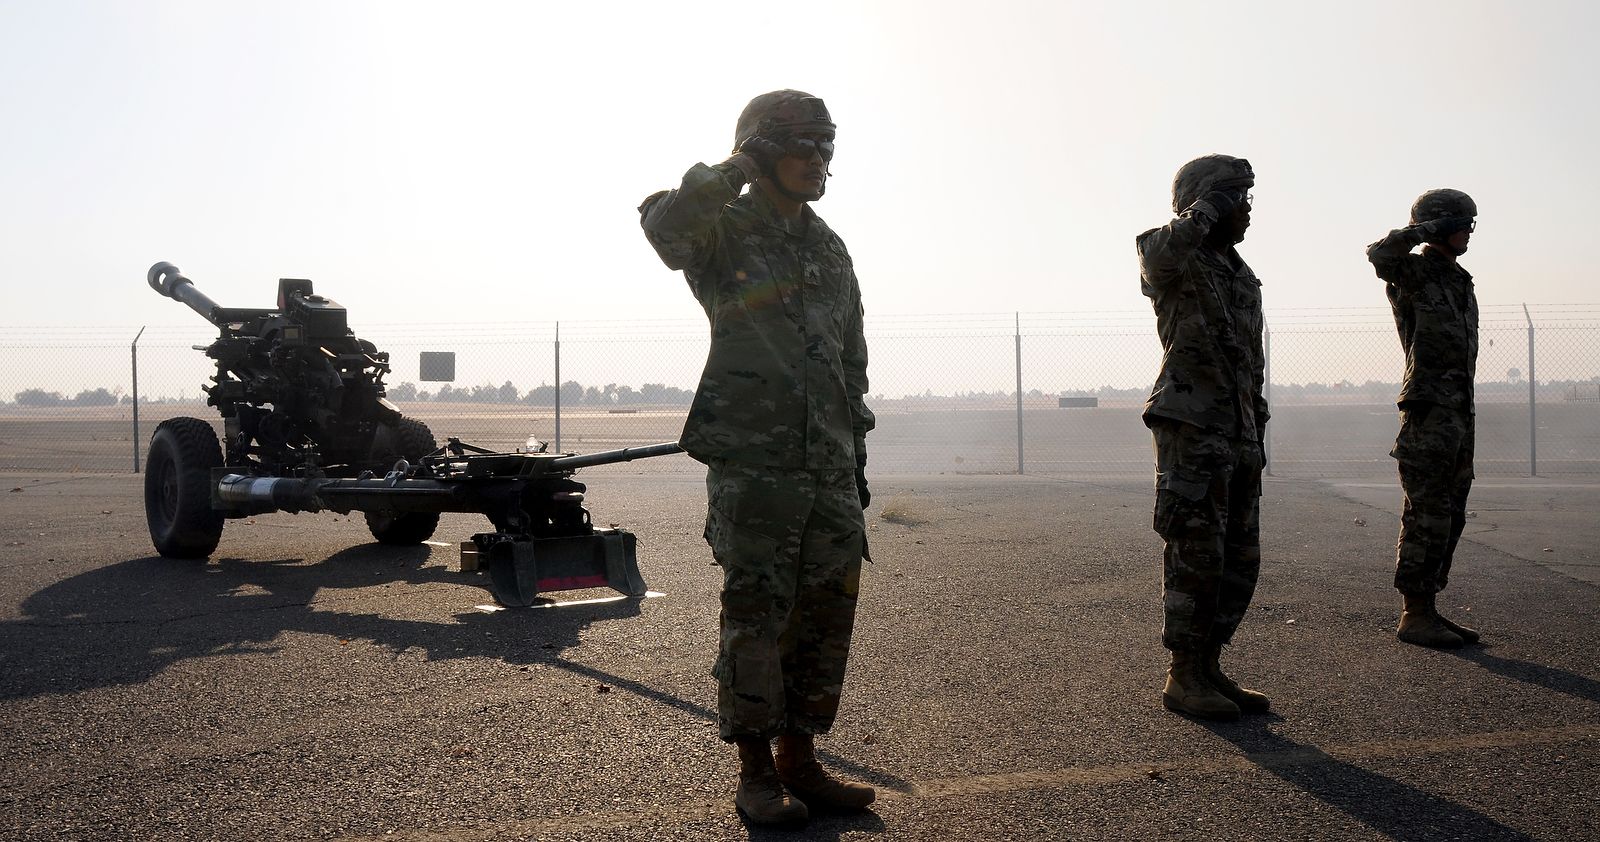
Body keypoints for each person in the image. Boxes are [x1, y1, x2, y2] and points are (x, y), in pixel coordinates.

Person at [638, 90, 876, 825]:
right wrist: (736, 164)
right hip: (757, 465)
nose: (819, 159)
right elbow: (667, 230)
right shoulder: (724, 229)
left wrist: (855, 455)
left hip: (829, 468)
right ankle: (753, 774)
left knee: (823, 619)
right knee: (757, 619)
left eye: (828, 144)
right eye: (803, 144)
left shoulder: (830, 246)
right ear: (763, 148)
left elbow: (851, 359)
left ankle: (799, 760)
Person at [1135, 154, 1272, 721]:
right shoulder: (1171, 254)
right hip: (1193, 429)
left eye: (1247, 198)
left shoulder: (1238, 274)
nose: (1246, 210)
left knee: (1239, 558)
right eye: (1235, 198)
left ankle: (1211, 664)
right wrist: (1202, 212)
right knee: (1195, 552)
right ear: (1206, 202)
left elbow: (1250, 362)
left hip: (1238, 432)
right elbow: (1159, 255)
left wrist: (1256, 424)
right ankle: (1183, 674)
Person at [1366, 189, 1481, 649]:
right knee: (1427, 512)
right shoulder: (1412, 272)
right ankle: (1414, 613)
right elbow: (1380, 253)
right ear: (1440, 224)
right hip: (1428, 408)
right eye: (1463, 223)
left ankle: (1428, 606)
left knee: (1452, 513)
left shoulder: (1460, 279)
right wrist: (1423, 232)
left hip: (1458, 409)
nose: (1469, 232)